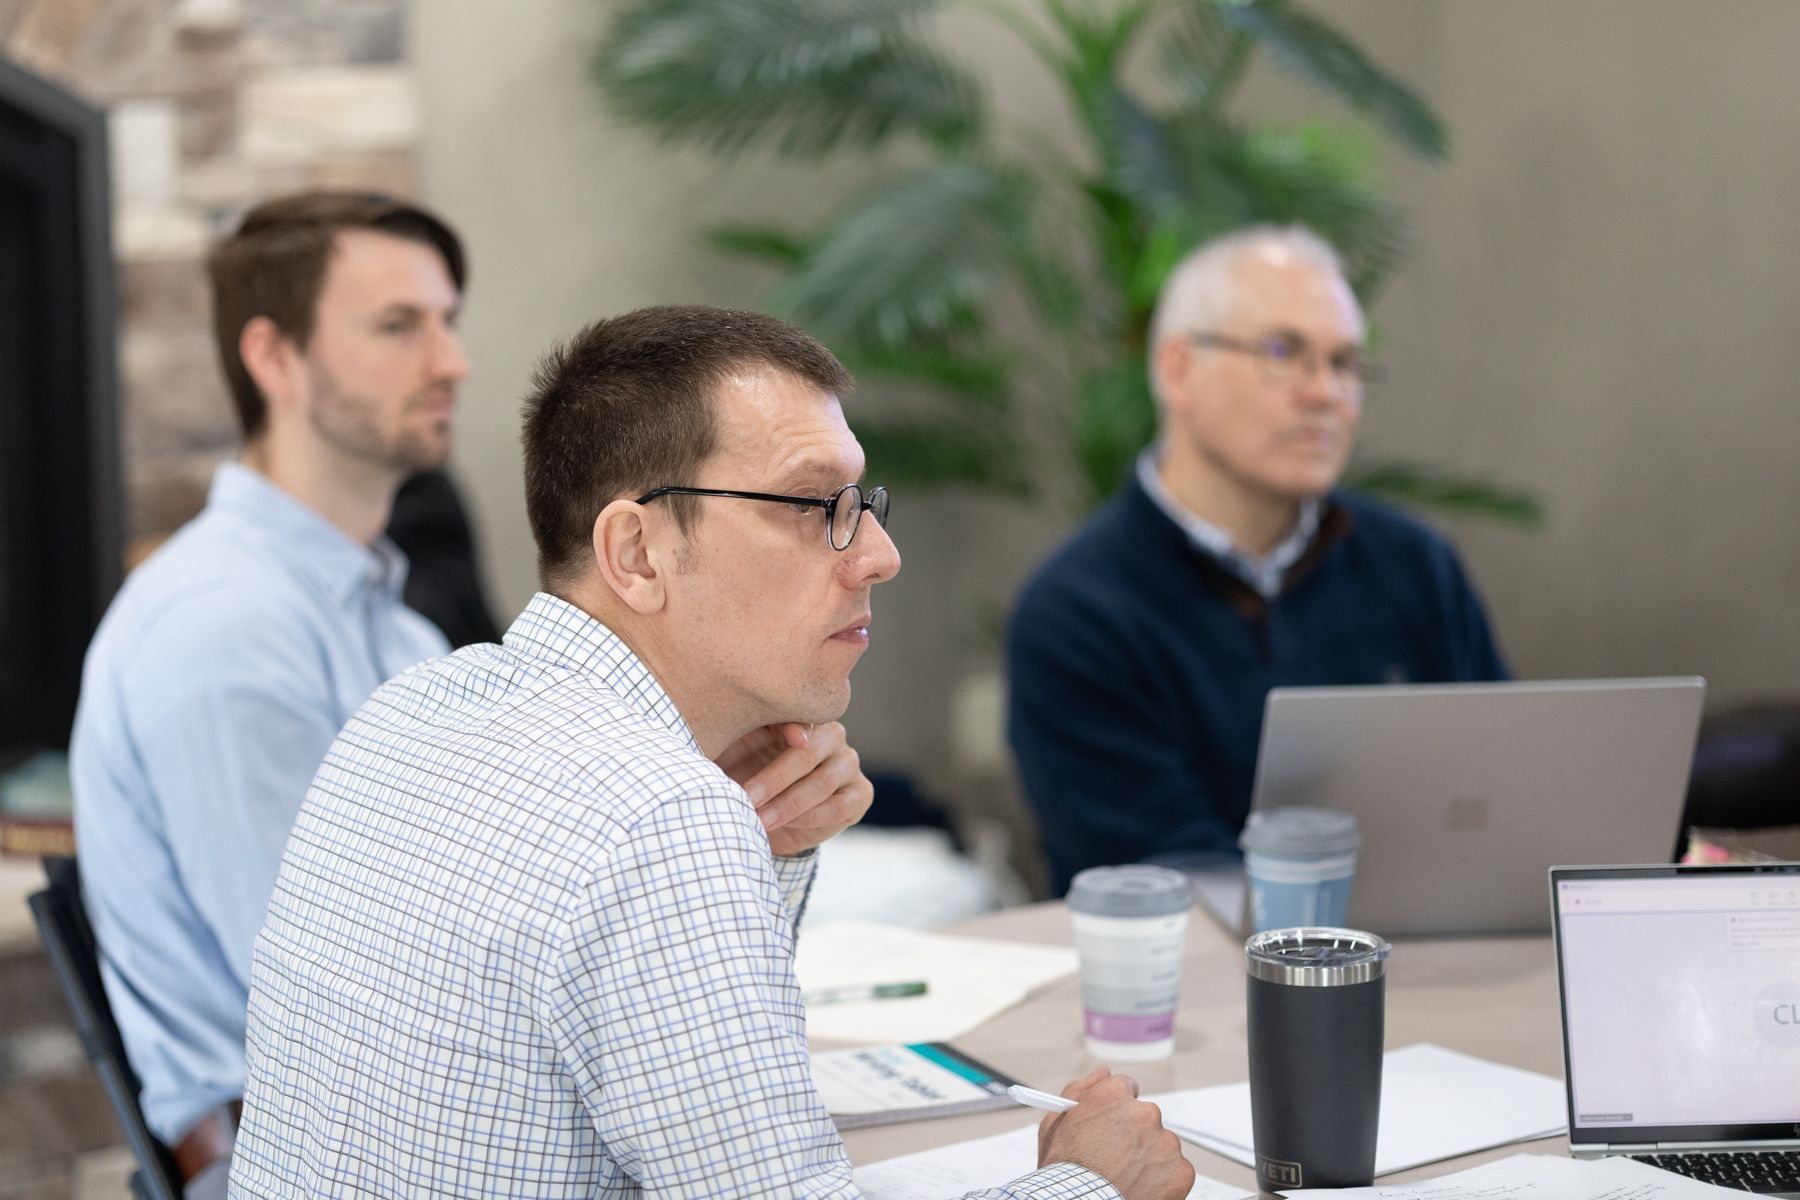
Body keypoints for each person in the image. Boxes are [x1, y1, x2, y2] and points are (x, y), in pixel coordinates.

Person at [228, 305, 1195, 1200]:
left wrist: (761, 848)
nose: (876, 556)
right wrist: (1090, 1184)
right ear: (638, 553)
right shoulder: (655, 816)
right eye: (813, 507)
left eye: (861, 502)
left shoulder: (417, 704)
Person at [68, 194, 872, 1186]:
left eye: (449, 321)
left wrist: (742, 841)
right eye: (398, 326)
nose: (452, 361)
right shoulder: (220, 633)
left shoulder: (410, 653)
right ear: (273, 359)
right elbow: (347, 1011)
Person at [1007, 225, 1508, 896]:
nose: (1326, 392)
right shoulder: (1075, 613)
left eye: (1344, 364)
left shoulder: (1415, 565)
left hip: (1444, 958)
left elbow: (1501, 799)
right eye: (1284, 352)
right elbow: (1164, 871)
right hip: (1196, 984)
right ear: (1178, 370)